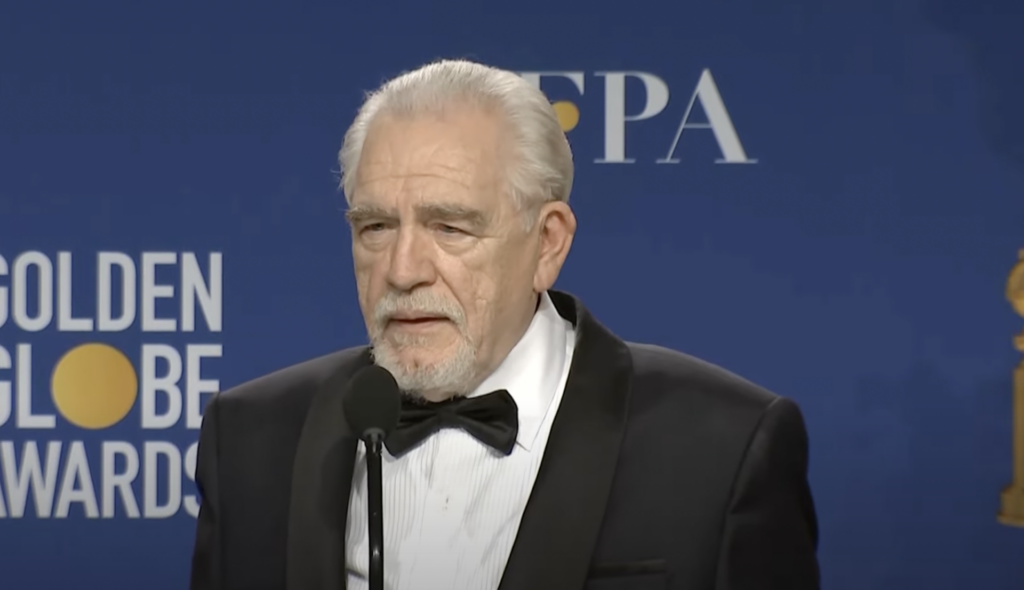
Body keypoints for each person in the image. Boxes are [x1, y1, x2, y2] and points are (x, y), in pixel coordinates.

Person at [188, 58, 820, 590]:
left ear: (547, 243)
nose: (403, 269)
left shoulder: (723, 449)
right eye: (375, 227)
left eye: (450, 227)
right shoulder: (249, 441)